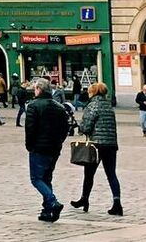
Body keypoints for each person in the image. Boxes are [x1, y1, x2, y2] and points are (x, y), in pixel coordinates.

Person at [23, 79, 71, 222]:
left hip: (39, 147)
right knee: (46, 178)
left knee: (36, 179)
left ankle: (52, 202)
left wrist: (29, 145)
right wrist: (59, 142)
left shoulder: (33, 106)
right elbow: (65, 128)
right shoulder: (59, 107)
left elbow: (30, 128)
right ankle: (47, 210)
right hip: (54, 148)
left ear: (38, 89)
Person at [72, 82, 123, 216]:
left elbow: (87, 127)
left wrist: (80, 127)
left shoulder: (92, 105)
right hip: (111, 144)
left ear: (93, 92)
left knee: (89, 174)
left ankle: (85, 199)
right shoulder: (108, 106)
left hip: (96, 144)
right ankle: (117, 202)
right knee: (111, 174)